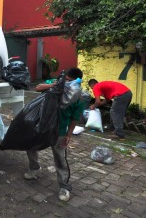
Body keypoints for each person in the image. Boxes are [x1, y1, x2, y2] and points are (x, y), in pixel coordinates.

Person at [24, 67, 84, 202]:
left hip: (60, 131)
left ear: (76, 82)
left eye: (70, 81)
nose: (66, 82)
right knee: (30, 146)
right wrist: (55, 85)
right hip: (41, 125)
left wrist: (69, 135)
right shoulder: (54, 82)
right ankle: (34, 168)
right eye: (65, 79)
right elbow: (38, 88)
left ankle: (64, 187)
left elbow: (75, 118)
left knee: (60, 158)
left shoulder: (78, 96)